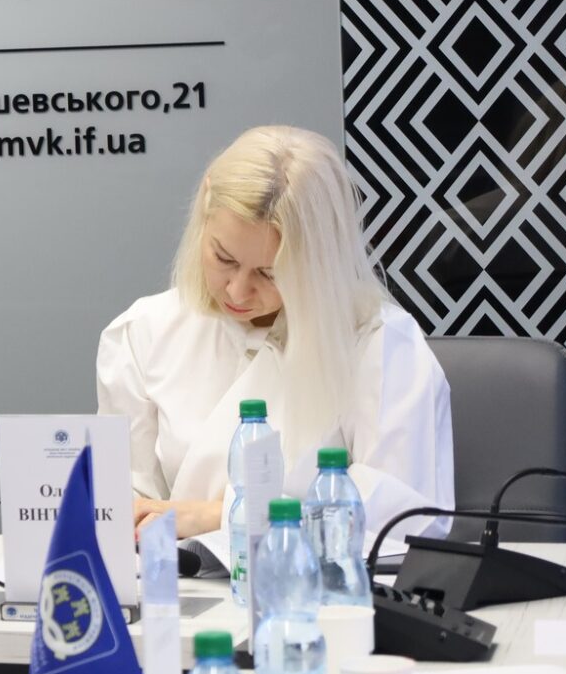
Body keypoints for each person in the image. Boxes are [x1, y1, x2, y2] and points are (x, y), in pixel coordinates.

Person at [97, 125, 453, 560]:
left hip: (316, 589)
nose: (237, 291)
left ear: (321, 259)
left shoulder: (381, 344)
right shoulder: (144, 331)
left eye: (270, 274)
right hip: (178, 585)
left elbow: (406, 520)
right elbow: (123, 503)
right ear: (203, 212)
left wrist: (219, 514)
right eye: (223, 258)